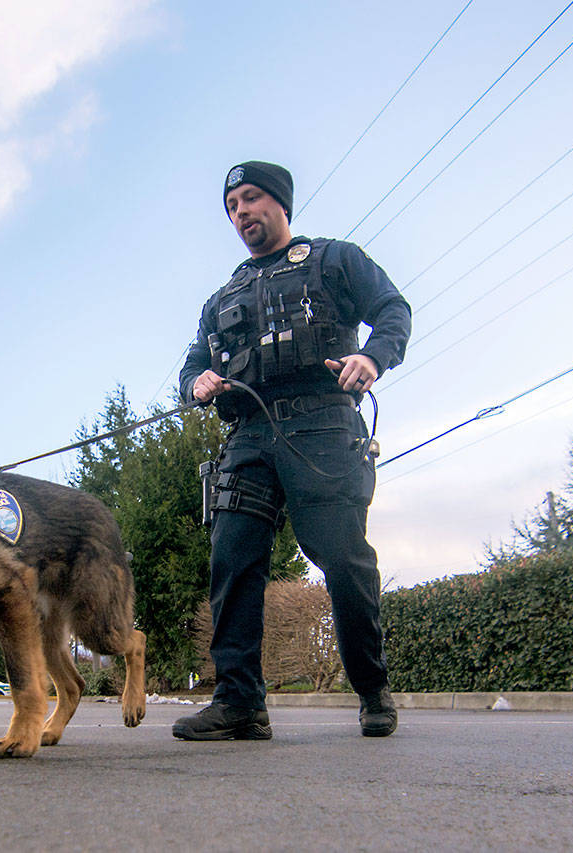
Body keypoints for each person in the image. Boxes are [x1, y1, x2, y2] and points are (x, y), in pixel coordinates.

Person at [173, 161, 411, 740]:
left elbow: (392, 310)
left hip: (323, 425)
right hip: (247, 436)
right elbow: (191, 365)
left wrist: (373, 357)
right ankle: (240, 704)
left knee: (342, 557)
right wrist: (196, 384)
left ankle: (373, 689)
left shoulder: (334, 259)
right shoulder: (222, 296)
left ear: (280, 204)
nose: (241, 214)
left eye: (250, 199)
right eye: (232, 207)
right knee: (233, 562)